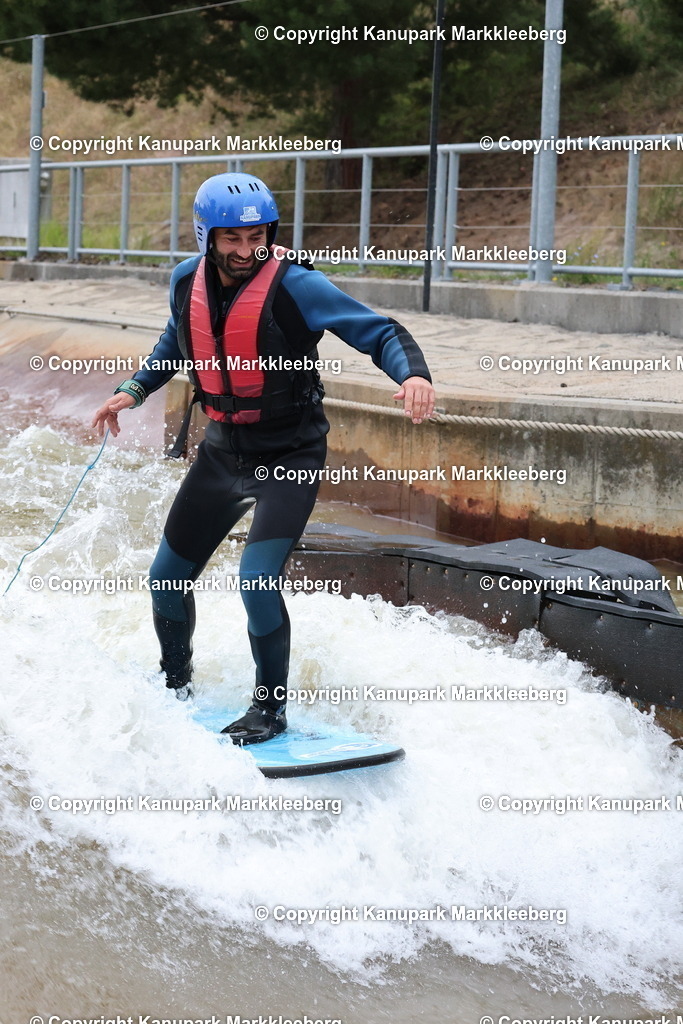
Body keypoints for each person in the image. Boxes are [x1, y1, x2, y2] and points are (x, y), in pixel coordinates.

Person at [92, 171, 435, 744]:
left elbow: (380, 332)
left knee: (256, 579)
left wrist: (414, 375)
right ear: (207, 236)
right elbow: (176, 341)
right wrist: (132, 391)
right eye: (233, 239)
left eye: (257, 237)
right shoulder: (185, 281)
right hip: (223, 453)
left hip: (290, 456)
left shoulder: (298, 285)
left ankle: (270, 710)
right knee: (166, 578)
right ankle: (174, 686)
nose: (246, 251)